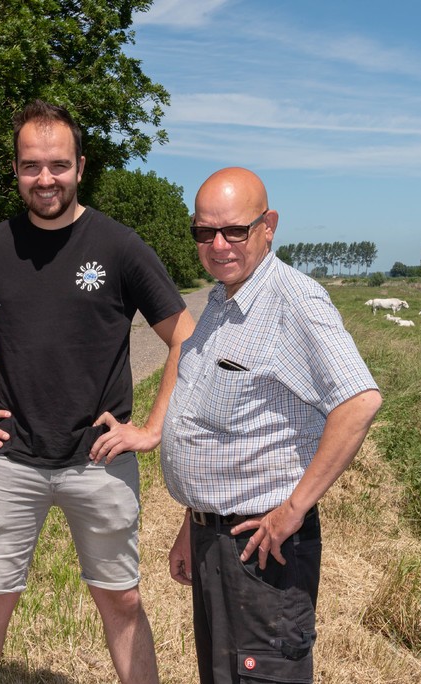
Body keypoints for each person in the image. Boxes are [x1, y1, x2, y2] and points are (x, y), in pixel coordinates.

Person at [0, 99, 195, 684]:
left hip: (99, 460)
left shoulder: (119, 245)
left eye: (58, 165)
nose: (45, 179)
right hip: (11, 461)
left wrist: (151, 428)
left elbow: (184, 336)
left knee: (121, 601)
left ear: (80, 167)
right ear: (16, 170)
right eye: (31, 166)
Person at [161, 167, 383, 683]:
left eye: (234, 230)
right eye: (204, 232)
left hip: (264, 551)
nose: (218, 245)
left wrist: (292, 510)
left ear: (269, 226)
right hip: (214, 539)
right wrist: (191, 526)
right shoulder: (221, 301)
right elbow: (221, 433)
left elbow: (359, 402)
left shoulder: (292, 302)